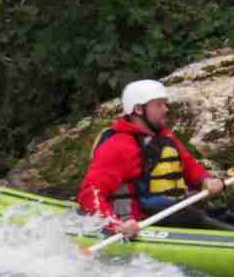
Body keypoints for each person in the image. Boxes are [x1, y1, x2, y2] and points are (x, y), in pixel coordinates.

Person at [78, 80, 225, 238]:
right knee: (200, 219)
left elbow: (190, 167)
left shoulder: (165, 137)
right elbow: (90, 194)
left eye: (165, 104)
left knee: (230, 215)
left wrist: (206, 180)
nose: (166, 109)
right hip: (136, 224)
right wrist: (115, 225)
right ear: (139, 109)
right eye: (159, 105)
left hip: (172, 213)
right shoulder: (118, 146)